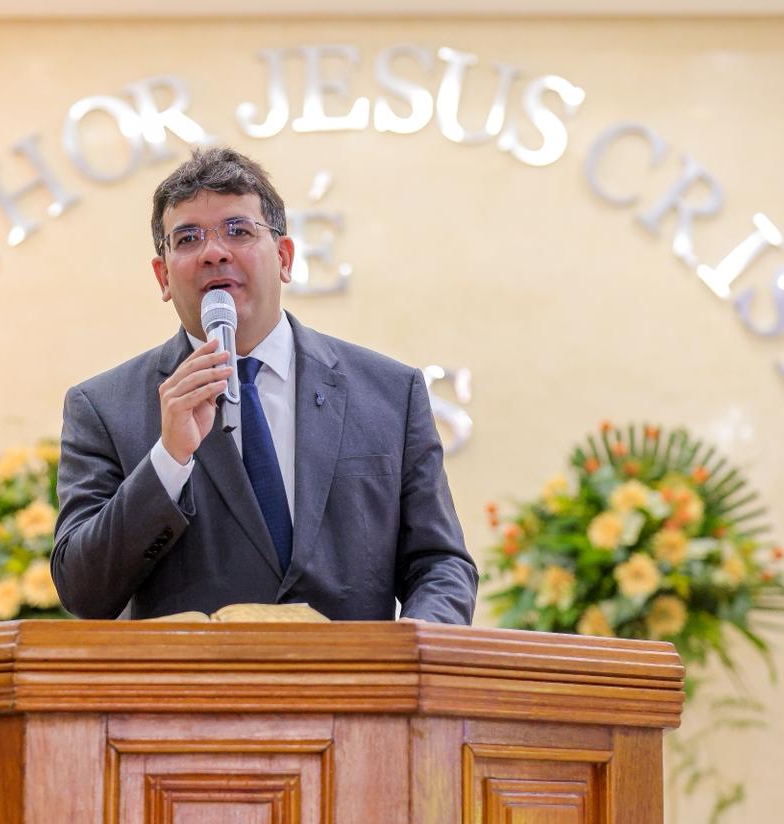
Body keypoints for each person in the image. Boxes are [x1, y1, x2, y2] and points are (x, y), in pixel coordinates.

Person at [51, 147, 476, 624]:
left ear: (285, 258)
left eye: (238, 231)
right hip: (192, 674)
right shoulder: (104, 408)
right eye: (188, 238)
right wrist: (168, 460)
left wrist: (411, 650)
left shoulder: (391, 393)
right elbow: (84, 592)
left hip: (357, 672)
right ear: (163, 276)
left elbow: (440, 565)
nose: (214, 252)